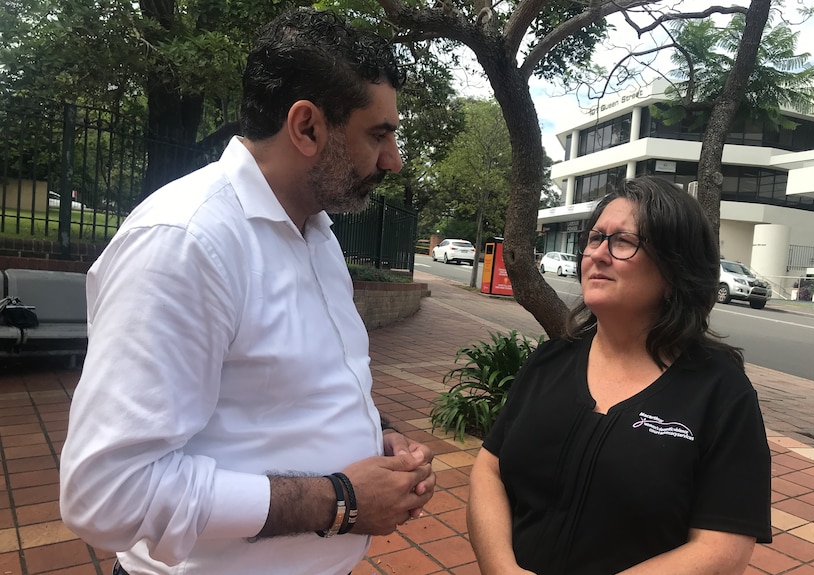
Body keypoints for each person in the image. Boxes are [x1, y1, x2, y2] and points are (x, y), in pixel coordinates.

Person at [59, 8, 435, 575]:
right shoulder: (185, 242)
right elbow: (107, 494)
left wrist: (379, 434)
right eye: (378, 135)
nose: (393, 160)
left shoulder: (318, 234)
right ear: (306, 126)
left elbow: (298, 386)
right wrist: (341, 501)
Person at [467, 176, 772, 574]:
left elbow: (722, 549)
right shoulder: (551, 360)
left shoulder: (721, 393)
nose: (599, 254)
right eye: (595, 238)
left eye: (623, 241)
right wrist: (502, 570)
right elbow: (489, 469)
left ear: (674, 267)